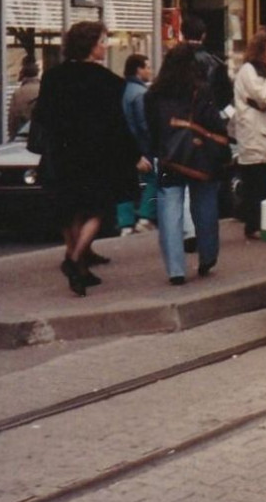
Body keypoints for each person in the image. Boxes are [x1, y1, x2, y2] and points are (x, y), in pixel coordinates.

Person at [33, 21, 143, 297]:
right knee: (97, 210)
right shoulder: (108, 82)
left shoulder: (53, 76)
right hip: (95, 156)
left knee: (70, 209)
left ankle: (80, 267)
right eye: (102, 42)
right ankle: (73, 260)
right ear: (90, 46)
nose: (106, 46)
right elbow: (117, 125)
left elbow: (43, 116)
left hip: (62, 153)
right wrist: (133, 154)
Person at [146, 43, 229, 284]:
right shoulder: (200, 90)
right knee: (205, 206)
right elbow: (213, 122)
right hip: (199, 157)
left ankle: (175, 270)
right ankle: (207, 256)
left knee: (169, 211)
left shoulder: (154, 94)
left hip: (168, 158)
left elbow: (151, 127)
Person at [233, 32, 266, 239]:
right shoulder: (249, 71)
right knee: (255, 180)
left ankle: (263, 222)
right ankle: (253, 224)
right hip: (253, 134)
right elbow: (264, 98)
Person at [115, 53, 158, 236]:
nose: (150, 70)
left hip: (122, 146)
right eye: (147, 67)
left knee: (123, 182)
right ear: (139, 69)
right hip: (141, 146)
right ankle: (145, 216)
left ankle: (125, 223)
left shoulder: (120, 90)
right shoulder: (140, 94)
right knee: (155, 178)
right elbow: (144, 124)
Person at [6, 59, 41, 139]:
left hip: (23, 135)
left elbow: (13, 119)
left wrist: (12, 136)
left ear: (23, 75)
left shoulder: (18, 93)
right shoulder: (45, 90)